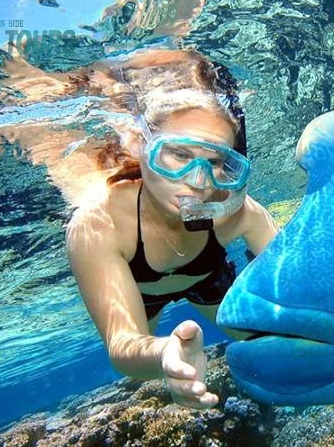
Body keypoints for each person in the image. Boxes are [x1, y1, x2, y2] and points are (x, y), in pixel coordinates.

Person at [65, 49, 279, 409]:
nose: (198, 182)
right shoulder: (100, 223)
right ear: (138, 142)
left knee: (263, 339)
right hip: (143, 294)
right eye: (178, 155)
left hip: (206, 276)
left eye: (214, 162)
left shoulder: (235, 211)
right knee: (137, 370)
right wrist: (165, 352)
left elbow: (294, 278)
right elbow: (123, 345)